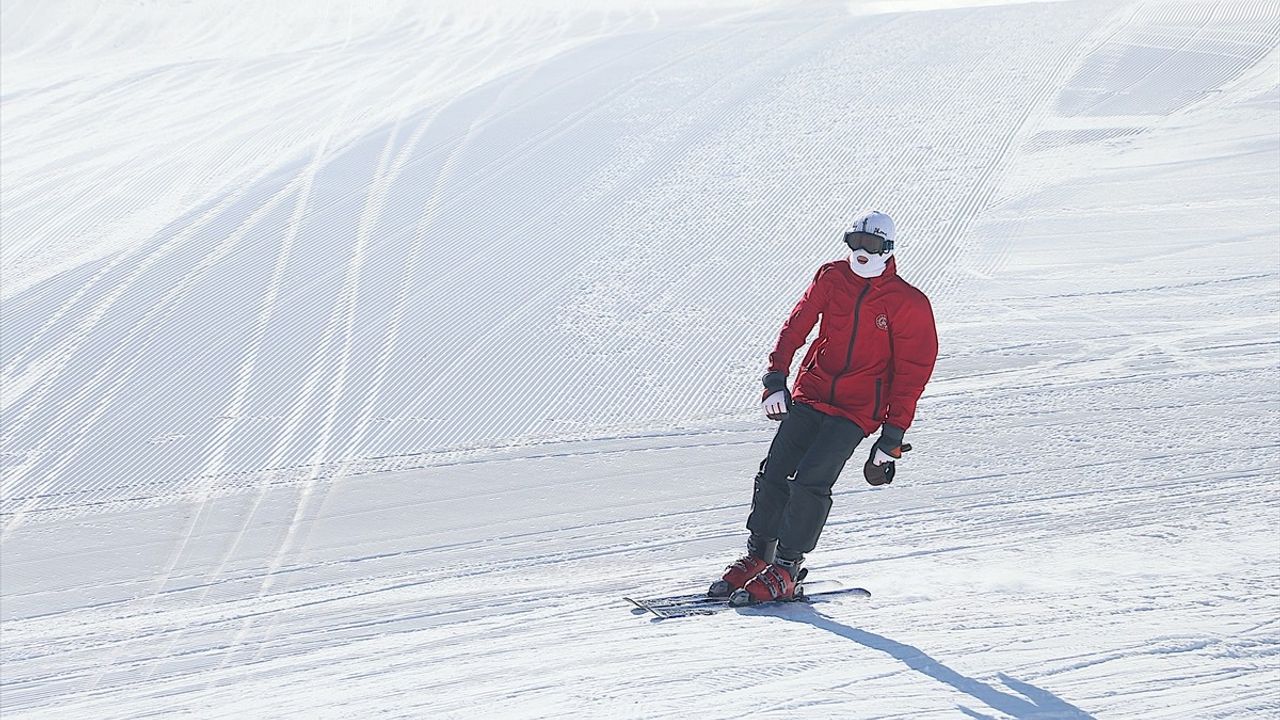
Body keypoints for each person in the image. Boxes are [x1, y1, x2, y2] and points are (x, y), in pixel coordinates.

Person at [710, 210, 939, 606]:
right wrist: (775, 377)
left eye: (870, 246)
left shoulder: (908, 303)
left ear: (887, 250)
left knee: (811, 481)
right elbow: (797, 323)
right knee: (775, 471)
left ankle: (787, 568)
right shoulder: (831, 276)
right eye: (854, 242)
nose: (861, 253)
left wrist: (892, 437)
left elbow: (912, 373)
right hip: (813, 392)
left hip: (856, 409)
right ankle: (758, 555)